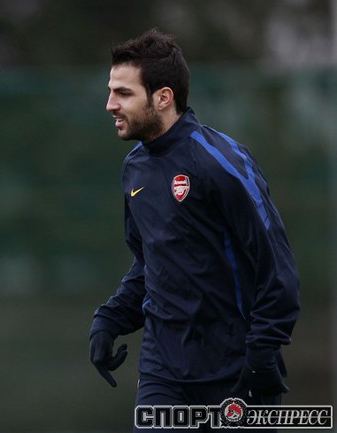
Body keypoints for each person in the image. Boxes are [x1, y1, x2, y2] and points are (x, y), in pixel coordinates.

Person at [88, 29, 300, 431]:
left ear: (163, 97)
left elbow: (277, 267)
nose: (110, 104)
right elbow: (150, 263)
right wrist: (110, 320)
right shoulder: (135, 168)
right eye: (111, 92)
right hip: (163, 371)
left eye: (123, 93)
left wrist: (262, 351)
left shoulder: (221, 164)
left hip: (236, 371)